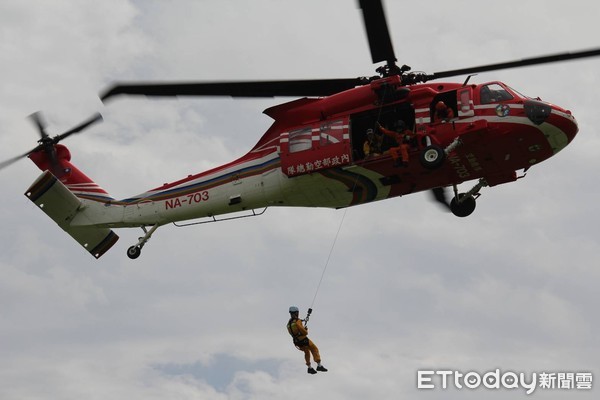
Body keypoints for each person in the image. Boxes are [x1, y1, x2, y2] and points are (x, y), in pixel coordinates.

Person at [286, 306, 328, 374]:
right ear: (297, 313)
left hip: (297, 342)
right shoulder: (297, 321)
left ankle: (309, 367)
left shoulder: (289, 324)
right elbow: (305, 333)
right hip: (304, 340)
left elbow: (293, 332)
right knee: (314, 349)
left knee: (307, 352)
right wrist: (305, 329)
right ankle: (319, 365)